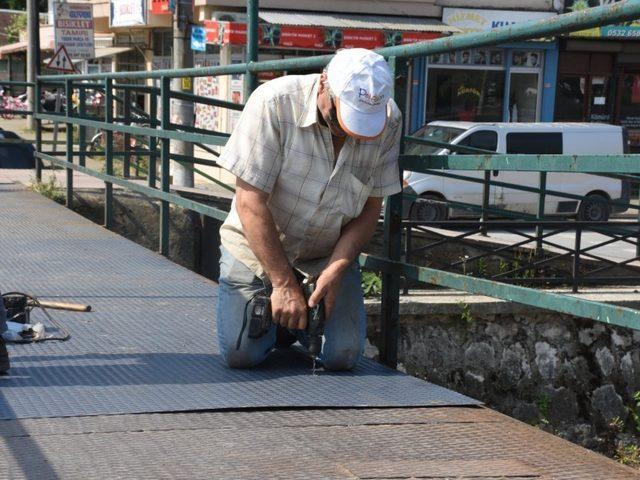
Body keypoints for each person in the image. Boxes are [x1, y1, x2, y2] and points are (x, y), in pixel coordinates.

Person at [215, 48, 402, 370]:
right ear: (323, 84)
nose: (345, 132)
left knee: (342, 356)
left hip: (325, 254)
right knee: (242, 354)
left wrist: (336, 269)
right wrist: (283, 284)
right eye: (339, 118)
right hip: (257, 248)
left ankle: (291, 320)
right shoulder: (274, 102)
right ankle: (285, 318)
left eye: (359, 126)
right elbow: (249, 202)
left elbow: (372, 207)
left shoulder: (389, 119)